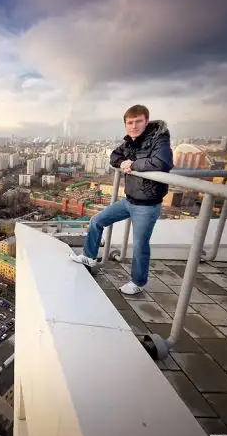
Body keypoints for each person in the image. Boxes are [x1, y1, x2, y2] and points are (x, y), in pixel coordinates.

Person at [70, 104, 173, 294]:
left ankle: (138, 282)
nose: (133, 126)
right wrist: (123, 162)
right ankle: (89, 257)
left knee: (140, 245)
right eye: (130, 123)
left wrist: (132, 164)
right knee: (96, 221)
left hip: (147, 205)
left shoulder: (159, 139)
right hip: (129, 200)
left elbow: (162, 163)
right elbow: (114, 157)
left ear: (146, 121)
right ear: (125, 124)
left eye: (138, 121)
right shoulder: (130, 142)